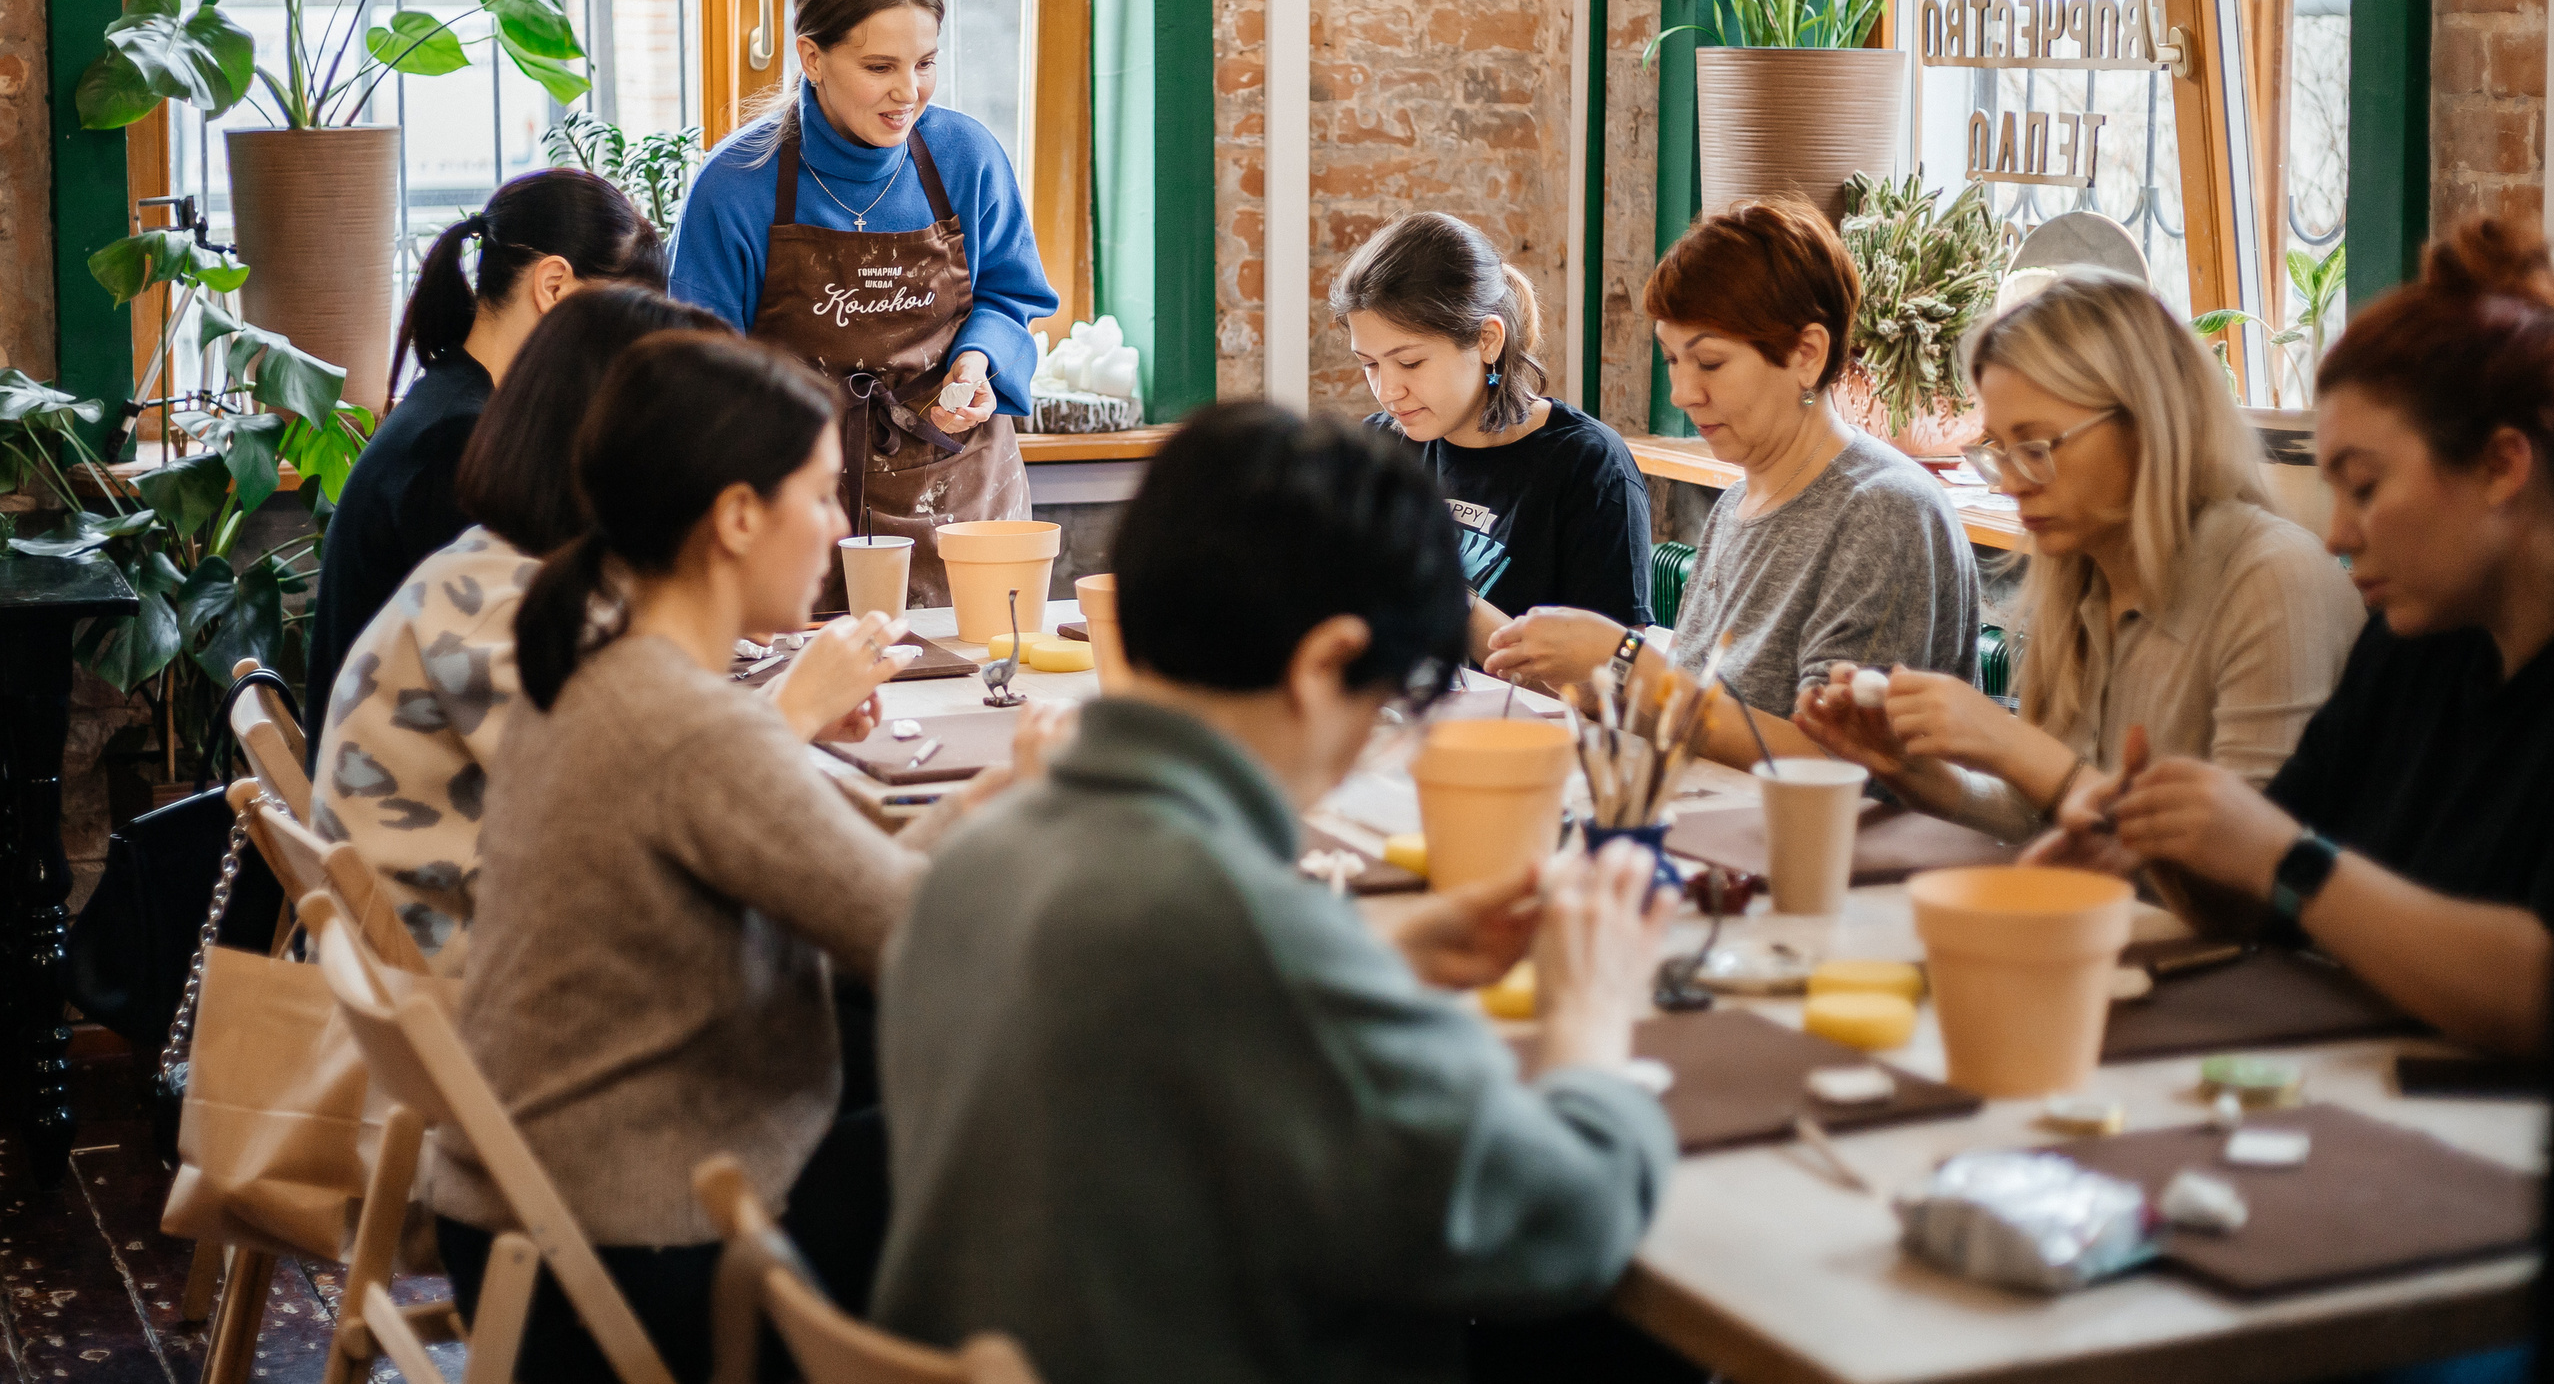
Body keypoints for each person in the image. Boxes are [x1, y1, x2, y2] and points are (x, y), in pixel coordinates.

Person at [871, 403, 1676, 1384]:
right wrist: (1592, 1024)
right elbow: (1560, 1225)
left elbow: (1171, 1033)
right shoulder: (1249, 940)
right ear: (1324, 664)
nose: (1357, 752)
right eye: (1380, 709)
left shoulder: (975, 859)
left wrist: (1378, 963)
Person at [425, 331, 973, 1379]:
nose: (840, 525)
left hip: (537, 1211)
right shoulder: (682, 724)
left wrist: (1008, 791)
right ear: (733, 519)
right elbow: (918, 937)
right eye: (819, 496)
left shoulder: (605, 666)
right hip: (631, 1235)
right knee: (1030, 1141)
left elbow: (844, 866)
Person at [2037, 220, 2554, 1057]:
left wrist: (2286, 857)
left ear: (2501, 465)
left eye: (2365, 485)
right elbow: (2267, 894)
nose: (2337, 533)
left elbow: (2538, 990)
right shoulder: (2413, 641)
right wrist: (2166, 838)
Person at [307, 286, 898, 974]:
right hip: (471, 1005)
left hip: (471, 980)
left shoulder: (501, 572)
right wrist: (794, 706)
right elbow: (658, 792)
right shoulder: (503, 607)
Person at [1794, 269, 2363, 841]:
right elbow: (2042, 817)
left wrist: (2009, 745)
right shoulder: (2084, 577)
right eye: (2000, 450)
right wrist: (1912, 772)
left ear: (2144, 423)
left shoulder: (2274, 581)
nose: (2011, 483)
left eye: (2036, 447)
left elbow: (2253, 877)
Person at [1485, 197, 1979, 765]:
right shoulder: (1741, 500)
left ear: (1806, 354)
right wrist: (1587, 676)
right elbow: (1700, 714)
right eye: (1672, 360)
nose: (1682, 393)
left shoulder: (1885, 511)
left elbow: (1836, 764)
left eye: (1710, 363)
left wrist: (1624, 663)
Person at [672, 0, 1059, 606]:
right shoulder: (736, 186)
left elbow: (1010, 295)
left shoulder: (967, 158)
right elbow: (697, 374)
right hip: (800, 516)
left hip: (960, 504)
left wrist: (976, 365)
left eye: (926, 63)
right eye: (880, 66)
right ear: (811, 56)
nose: (908, 92)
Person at [304, 168, 668, 737]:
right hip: (404, 801)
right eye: (618, 326)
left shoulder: (456, 402)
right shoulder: (458, 442)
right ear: (554, 287)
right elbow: (512, 684)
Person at [1332, 212, 1653, 663]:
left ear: (1487, 340)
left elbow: (1615, 685)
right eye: (1370, 364)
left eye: (1409, 363)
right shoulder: (1380, 449)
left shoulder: (1589, 466)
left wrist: (1437, 593)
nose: (1388, 391)